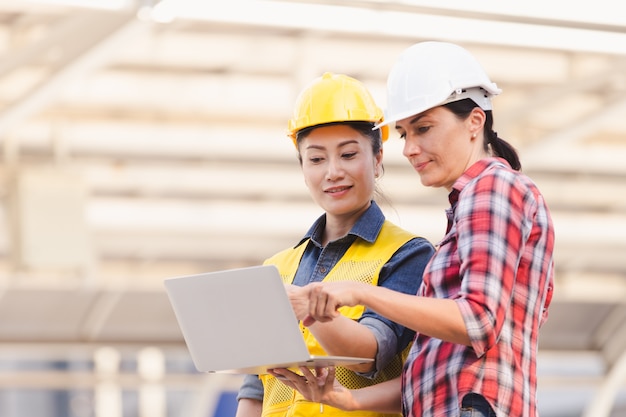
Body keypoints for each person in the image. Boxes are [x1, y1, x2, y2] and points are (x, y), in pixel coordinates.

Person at [270, 41, 555, 417]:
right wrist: (342, 398)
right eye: (405, 133)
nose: (410, 148)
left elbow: (478, 320)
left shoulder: (491, 188)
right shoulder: (470, 205)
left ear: (475, 121)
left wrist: (360, 293)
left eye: (423, 128)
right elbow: (430, 370)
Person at [234, 72, 436, 417]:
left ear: (377, 158)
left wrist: (308, 308)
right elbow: (256, 389)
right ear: (302, 168)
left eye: (347, 154)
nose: (333, 172)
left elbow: (369, 355)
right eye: (316, 159)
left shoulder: (408, 255)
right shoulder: (277, 267)